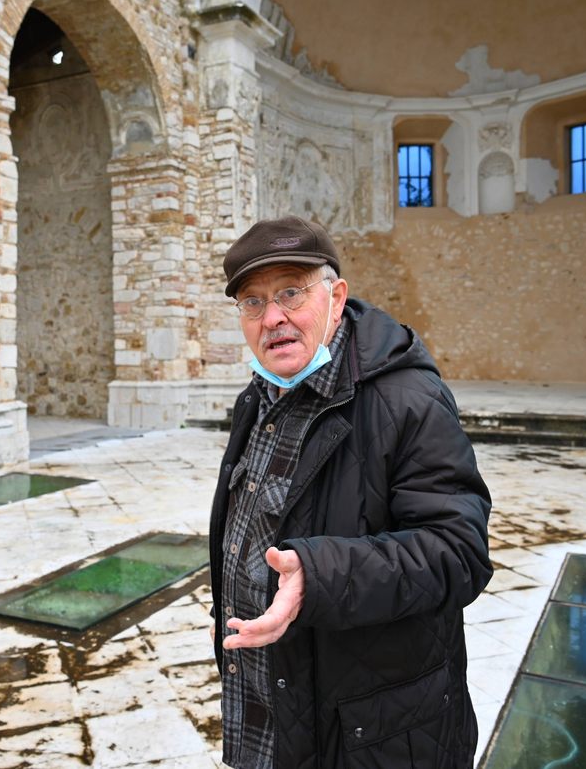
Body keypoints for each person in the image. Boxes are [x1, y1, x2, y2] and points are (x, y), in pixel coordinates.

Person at [208, 215, 493, 768]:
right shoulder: (257, 399)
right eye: (252, 302)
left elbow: (459, 552)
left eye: (291, 292)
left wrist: (318, 576)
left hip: (371, 734)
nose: (274, 318)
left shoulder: (408, 399)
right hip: (271, 710)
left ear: (336, 298)